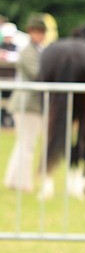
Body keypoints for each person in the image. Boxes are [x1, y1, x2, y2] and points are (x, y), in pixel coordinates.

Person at [3, 16, 47, 192]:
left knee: (23, 143)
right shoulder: (28, 51)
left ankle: (12, 180)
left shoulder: (38, 50)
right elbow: (37, 74)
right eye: (38, 32)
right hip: (27, 103)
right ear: (31, 32)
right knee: (27, 144)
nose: (41, 36)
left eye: (42, 32)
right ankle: (23, 183)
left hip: (30, 103)